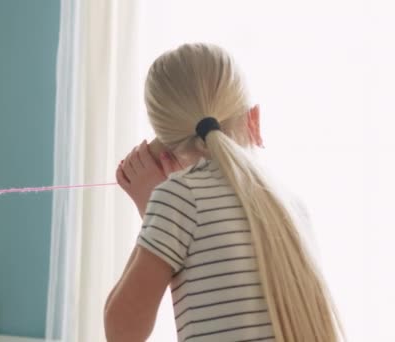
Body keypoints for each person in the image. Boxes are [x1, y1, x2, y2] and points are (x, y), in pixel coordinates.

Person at [103, 43, 342, 342]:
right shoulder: (291, 202)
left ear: (164, 142)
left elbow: (121, 331)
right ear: (254, 120)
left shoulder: (180, 197)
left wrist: (152, 208)